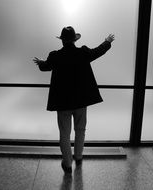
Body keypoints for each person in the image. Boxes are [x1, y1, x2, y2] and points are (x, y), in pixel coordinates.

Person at [33, 26, 114, 173]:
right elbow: (98, 51)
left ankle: (67, 164)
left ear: (62, 41)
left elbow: (46, 67)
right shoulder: (82, 52)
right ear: (74, 40)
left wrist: (41, 63)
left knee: (64, 133)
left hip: (62, 103)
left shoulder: (55, 56)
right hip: (81, 101)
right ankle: (78, 157)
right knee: (80, 130)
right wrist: (107, 41)